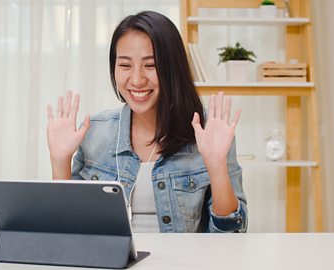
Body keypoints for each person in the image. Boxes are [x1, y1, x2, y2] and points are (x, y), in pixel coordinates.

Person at [47, 11, 247, 233]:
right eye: (125, 65)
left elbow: (231, 234)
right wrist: (60, 162)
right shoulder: (94, 132)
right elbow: (68, 228)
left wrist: (216, 165)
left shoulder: (209, 131)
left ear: (173, 68)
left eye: (150, 65)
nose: (137, 80)